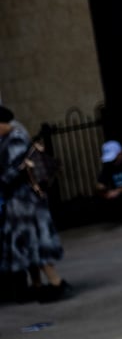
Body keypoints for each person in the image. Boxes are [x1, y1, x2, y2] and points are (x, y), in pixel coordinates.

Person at [0, 105, 72, 303]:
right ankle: (40, 285)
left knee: (36, 244)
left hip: (26, 202)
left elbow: (14, 171)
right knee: (29, 245)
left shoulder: (14, 139)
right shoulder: (8, 139)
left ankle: (56, 283)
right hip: (21, 202)